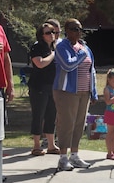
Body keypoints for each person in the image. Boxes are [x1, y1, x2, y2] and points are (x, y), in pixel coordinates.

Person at [53, 18, 98, 171]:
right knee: (67, 124)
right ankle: (63, 158)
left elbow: (92, 70)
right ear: (67, 31)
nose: (78, 32)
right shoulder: (61, 46)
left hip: (84, 92)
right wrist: (80, 54)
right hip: (67, 92)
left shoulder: (85, 47)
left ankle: (75, 155)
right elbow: (68, 64)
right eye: (74, 29)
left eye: (79, 29)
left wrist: (94, 92)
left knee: (79, 124)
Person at [28, 22, 60, 156]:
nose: (51, 35)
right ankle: (36, 145)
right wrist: (53, 54)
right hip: (38, 86)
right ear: (41, 35)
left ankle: (51, 145)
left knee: (51, 115)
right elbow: (39, 63)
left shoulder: (54, 47)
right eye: (48, 32)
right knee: (38, 115)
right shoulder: (37, 47)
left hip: (52, 86)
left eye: (53, 32)